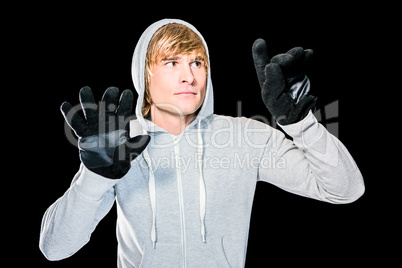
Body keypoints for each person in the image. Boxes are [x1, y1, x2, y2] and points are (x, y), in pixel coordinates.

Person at [39, 18, 365, 267]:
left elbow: (344, 189)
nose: (189, 76)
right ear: (146, 74)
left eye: (197, 62)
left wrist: (299, 122)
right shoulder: (118, 143)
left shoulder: (246, 137)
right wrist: (94, 175)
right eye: (171, 62)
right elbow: (55, 248)